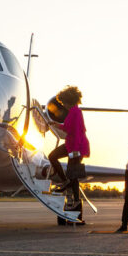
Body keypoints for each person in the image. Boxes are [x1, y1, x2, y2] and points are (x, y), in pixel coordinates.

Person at [47, 86, 89, 216]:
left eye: (63, 102)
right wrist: (56, 125)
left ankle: (76, 200)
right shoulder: (73, 111)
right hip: (71, 144)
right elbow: (68, 128)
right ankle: (66, 183)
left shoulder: (76, 112)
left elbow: (78, 132)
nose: (63, 105)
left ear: (69, 101)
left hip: (76, 146)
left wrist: (75, 152)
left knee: (73, 174)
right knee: (53, 157)